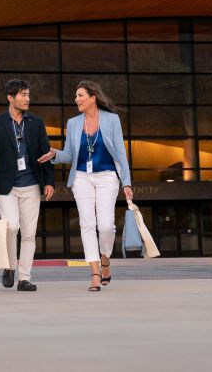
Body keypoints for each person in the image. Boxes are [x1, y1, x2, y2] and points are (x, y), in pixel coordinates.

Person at [39, 80, 133, 292]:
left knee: (107, 225)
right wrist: (55, 154)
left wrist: (126, 182)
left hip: (107, 176)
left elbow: (120, 153)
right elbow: (70, 154)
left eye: (80, 95)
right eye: (76, 96)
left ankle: (105, 259)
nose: (76, 100)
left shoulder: (111, 120)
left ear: (93, 97)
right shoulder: (73, 123)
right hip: (81, 177)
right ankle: (94, 273)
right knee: (87, 224)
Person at [0, 79, 55, 291]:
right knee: (11, 226)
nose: (27, 99)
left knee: (29, 234)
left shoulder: (36, 123)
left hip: (32, 184)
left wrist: (49, 181)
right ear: (10, 98)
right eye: (23, 95)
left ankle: (24, 278)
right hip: (7, 186)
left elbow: (45, 153)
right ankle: (9, 266)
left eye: (28, 95)